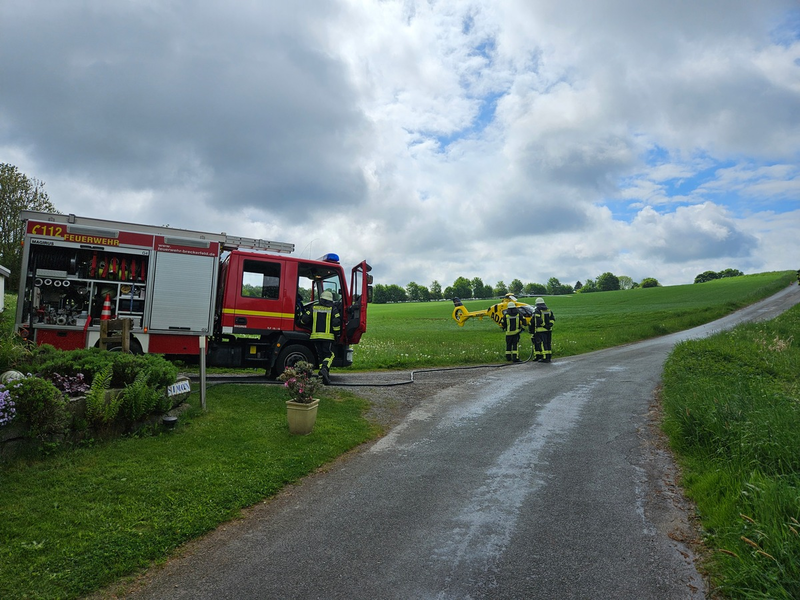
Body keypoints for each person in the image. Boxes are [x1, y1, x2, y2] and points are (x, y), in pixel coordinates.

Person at [310, 290, 342, 384]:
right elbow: (336, 322)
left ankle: (322, 375)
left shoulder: (314, 307)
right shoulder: (333, 309)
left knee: (320, 356)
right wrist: (337, 334)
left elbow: (305, 319)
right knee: (329, 355)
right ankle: (324, 369)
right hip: (328, 337)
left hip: (315, 337)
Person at [530, 297, 555, 362]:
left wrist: (544, 325)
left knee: (542, 344)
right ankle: (548, 356)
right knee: (548, 343)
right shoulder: (548, 310)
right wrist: (550, 325)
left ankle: (545, 357)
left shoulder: (537, 310)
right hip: (549, 330)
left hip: (540, 330)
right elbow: (552, 319)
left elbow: (537, 319)